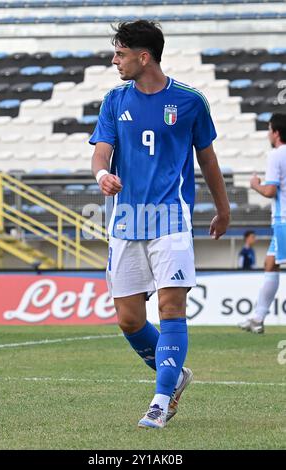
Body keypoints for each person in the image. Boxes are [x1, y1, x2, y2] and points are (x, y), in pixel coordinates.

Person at [90, 20, 230, 429]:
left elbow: (207, 159)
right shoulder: (115, 100)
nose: (115, 60)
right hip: (126, 221)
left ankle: (161, 399)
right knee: (129, 320)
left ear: (143, 56)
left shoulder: (189, 101)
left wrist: (222, 209)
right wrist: (102, 176)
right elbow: (101, 152)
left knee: (171, 309)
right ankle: (176, 375)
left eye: (120, 53)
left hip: (171, 219)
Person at [239, 113, 286, 334]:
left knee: (273, 263)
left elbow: (270, 190)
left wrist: (255, 185)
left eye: (269, 129)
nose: (268, 133)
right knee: (271, 264)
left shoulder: (276, 155)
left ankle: (258, 318)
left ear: (276, 133)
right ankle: (258, 317)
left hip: (283, 220)